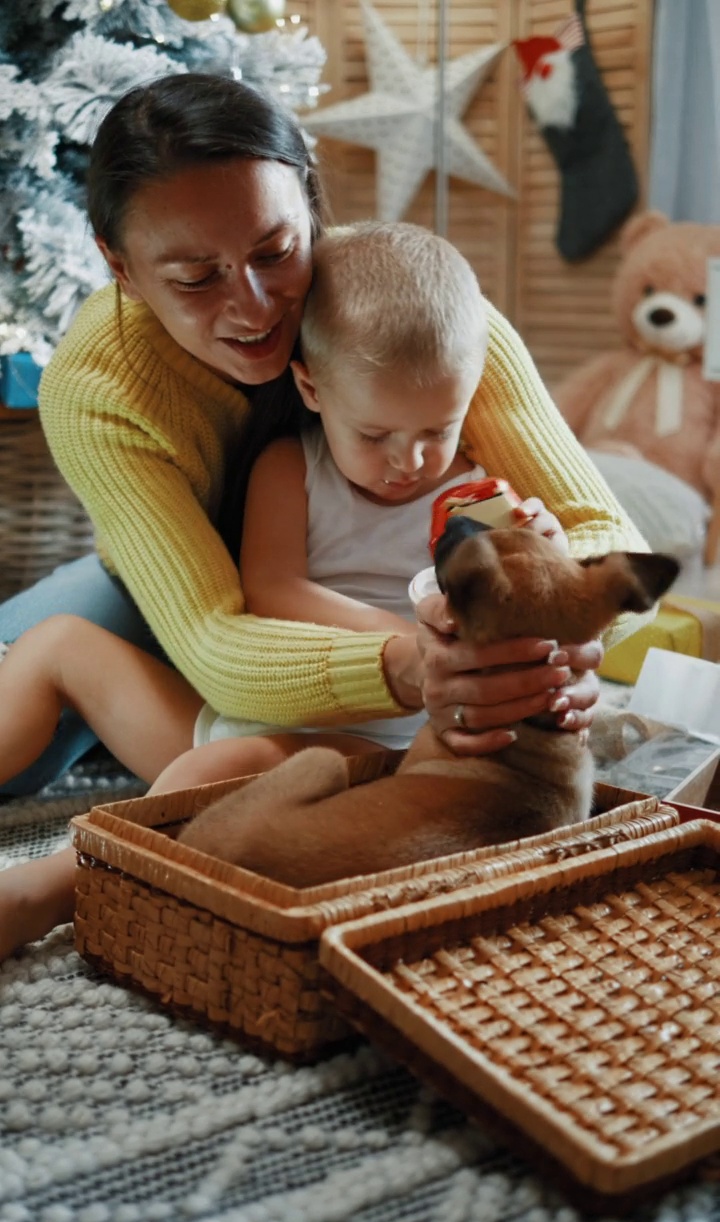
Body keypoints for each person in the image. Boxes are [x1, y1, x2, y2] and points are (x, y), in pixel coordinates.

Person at [0, 73, 649, 952]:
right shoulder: (100, 385)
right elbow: (214, 633)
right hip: (179, 599)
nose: (253, 305)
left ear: (310, 207)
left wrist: (564, 647)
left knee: (244, 776)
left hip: (361, 685)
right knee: (42, 660)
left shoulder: (420, 321)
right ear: (120, 266)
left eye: (275, 253)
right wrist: (413, 659)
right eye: (195, 277)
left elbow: (597, 526)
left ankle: (94, 879)